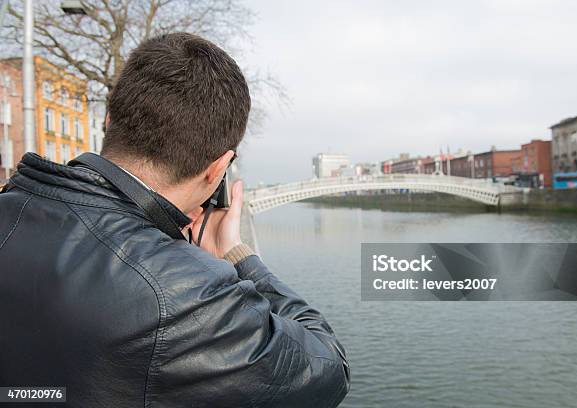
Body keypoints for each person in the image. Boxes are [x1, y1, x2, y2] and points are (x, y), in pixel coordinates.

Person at [0, 32, 349, 407]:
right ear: (217, 170)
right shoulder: (187, 294)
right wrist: (237, 256)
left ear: (108, 119)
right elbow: (327, 368)